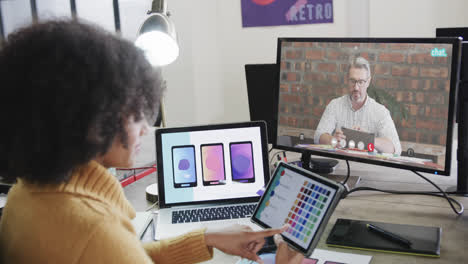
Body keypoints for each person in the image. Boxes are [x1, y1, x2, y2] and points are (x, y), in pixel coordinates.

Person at [0, 20, 304, 264]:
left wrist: (207, 238)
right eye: (134, 112)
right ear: (87, 116)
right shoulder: (91, 229)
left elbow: (127, 255)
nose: (147, 127)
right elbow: (109, 249)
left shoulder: (25, 194)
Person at [313, 56, 401, 155]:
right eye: (352, 81)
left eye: (361, 82)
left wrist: (368, 139)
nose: (356, 87)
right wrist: (333, 140)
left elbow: (395, 148)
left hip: (368, 167)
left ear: (368, 82)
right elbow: (318, 136)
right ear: (347, 80)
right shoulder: (335, 105)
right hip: (339, 164)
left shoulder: (381, 112)